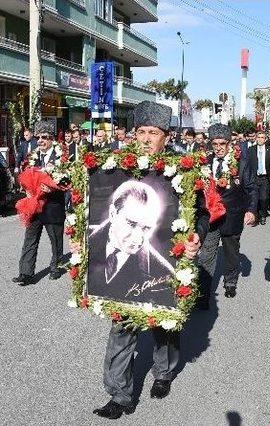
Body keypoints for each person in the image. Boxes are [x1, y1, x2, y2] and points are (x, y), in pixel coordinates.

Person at [91, 101, 210, 419]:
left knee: (163, 328)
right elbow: (97, 202)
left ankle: (164, 373)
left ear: (166, 137)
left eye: (153, 133)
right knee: (122, 327)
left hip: (162, 263)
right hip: (122, 262)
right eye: (140, 131)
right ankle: (120, 394)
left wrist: (196, 234)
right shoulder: (116, 168)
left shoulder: (183, 171)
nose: (145, 138)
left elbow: (202, 213)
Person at [86, 181, 176, 305]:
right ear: (113, 214)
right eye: (131, 224)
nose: (138, 238)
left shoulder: (163, 274)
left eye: (146, 228)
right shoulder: (84, 240)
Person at [198, 124, 257, 302]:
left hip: (232, 216)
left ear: (229, 143)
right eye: (215, 144)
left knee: (231, 253)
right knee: (207, 254)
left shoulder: (241, 163)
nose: (218, 148)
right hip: (210, 217)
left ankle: (230, 282)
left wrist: (251, 210)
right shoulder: (205, 162)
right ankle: (203, 292)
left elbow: (251, 188)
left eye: (222, 144)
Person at [13, 121, 66, 284]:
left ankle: (56, 267)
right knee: (30, 238)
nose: (40, 140)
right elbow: (26, 176)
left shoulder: (61, 155)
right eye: (38, 137)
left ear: (51, 139)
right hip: (34, 204)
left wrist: (54, 188)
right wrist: (27, 188)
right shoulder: (33, 157)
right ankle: (26, 273)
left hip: (53, 205)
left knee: (55, 240)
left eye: (44, 137)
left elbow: (67, 179)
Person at [248, 130, 270, 225]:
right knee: (254, 198)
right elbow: (248, 165)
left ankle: (263, 214)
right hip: (254, 177)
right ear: (256, 138)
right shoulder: (251, 149)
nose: (260, 139)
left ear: (265, 139)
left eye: (262, 137)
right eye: (258, 137)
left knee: (264, 198)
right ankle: (256, 216)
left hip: (265, 178)